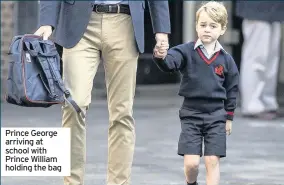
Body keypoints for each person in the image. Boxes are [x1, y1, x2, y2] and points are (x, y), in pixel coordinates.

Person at [34, 1, 171, 185]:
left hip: (125, 20)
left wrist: (161, 29)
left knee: (122, 112)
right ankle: (72, 182)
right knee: (74, 105)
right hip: (79, 21)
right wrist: (47, 21)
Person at [153, 2, 239, 185]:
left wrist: (229, 116)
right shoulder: (185, 51)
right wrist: (161, 56)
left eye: (213, 26)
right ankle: (191, 183)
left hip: (216, 116)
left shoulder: (227, 60)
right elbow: (170, 63)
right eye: (203, 25)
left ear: (222, 29)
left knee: (212, 161)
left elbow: (232, 88)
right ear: (196, 26)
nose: (207, 30)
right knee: (192, 164)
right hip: (191, 115)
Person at [235, 1, 284, 119]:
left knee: (271, 59)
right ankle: (252, 104)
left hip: (274, 8)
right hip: (256, 7)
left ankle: (267, 102)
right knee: (257, 56)